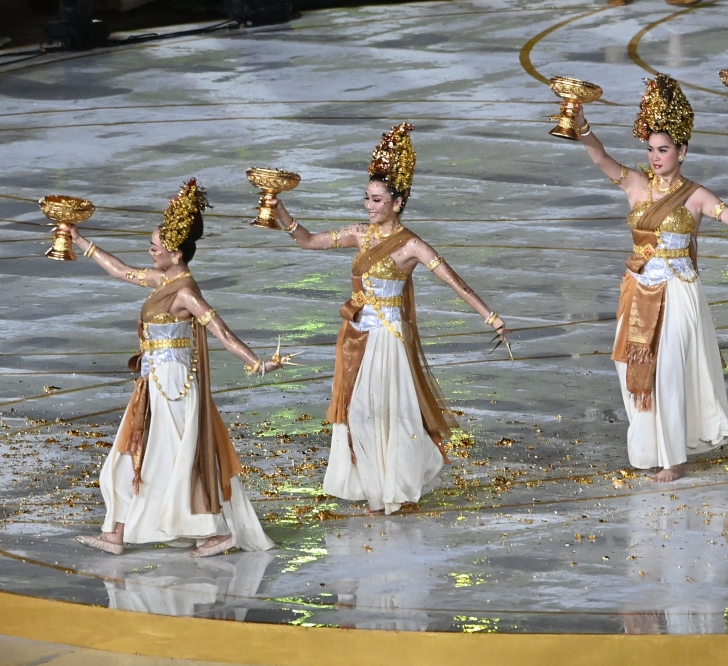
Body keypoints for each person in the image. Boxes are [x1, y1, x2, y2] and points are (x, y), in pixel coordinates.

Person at [573, 74, 728, 482]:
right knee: (632, 373)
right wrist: (580, 122)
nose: (654, 156)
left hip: (679, 294)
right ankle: (652, 446)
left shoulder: (696, 195)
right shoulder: (634, 185)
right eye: (650, 149)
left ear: (681, 150)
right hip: (639, 291)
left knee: (668, 371)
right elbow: (600, 158)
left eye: (663, 149)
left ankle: (675, 457)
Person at [269, 123, 509, 515]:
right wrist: (280, 211)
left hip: (389, 339)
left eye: (377, 200)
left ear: (397, 203)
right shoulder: (360, 235)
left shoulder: (412, 245)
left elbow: (456, 283)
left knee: (390, 416)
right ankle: (378, 488)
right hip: (358, 336)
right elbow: (310, 241)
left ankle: (394, 492)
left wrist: (492, 317)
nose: (369, 206)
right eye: (367, 198)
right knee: (359, 414)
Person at [71, 180, 284, 557]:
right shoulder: (162, 279)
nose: (151, 250)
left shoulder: (185, 292)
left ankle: (214, 532)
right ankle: (117, 533)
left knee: (164, 458)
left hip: (173, 388)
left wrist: (258, 364)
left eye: (157, 247)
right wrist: (79, 241)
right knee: (132, 453)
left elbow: (221, 331)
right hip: (153, 382)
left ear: (176, 252)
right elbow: (121, 271)